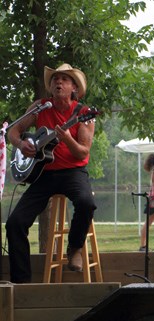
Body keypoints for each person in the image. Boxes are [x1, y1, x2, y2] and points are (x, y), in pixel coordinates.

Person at [6, 63, 97, 283]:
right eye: (56, 79)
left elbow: (83, 152)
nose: (58, 82)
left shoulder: (84, 113)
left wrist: (66, 138)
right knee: (14, 223)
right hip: (43, 174)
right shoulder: (41, 106)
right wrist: (20, 145)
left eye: (65, 79)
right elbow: (12, 131)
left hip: (73, 173)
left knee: (87, 203)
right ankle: (22, 284)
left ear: (74, 87)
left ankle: (74, 248)